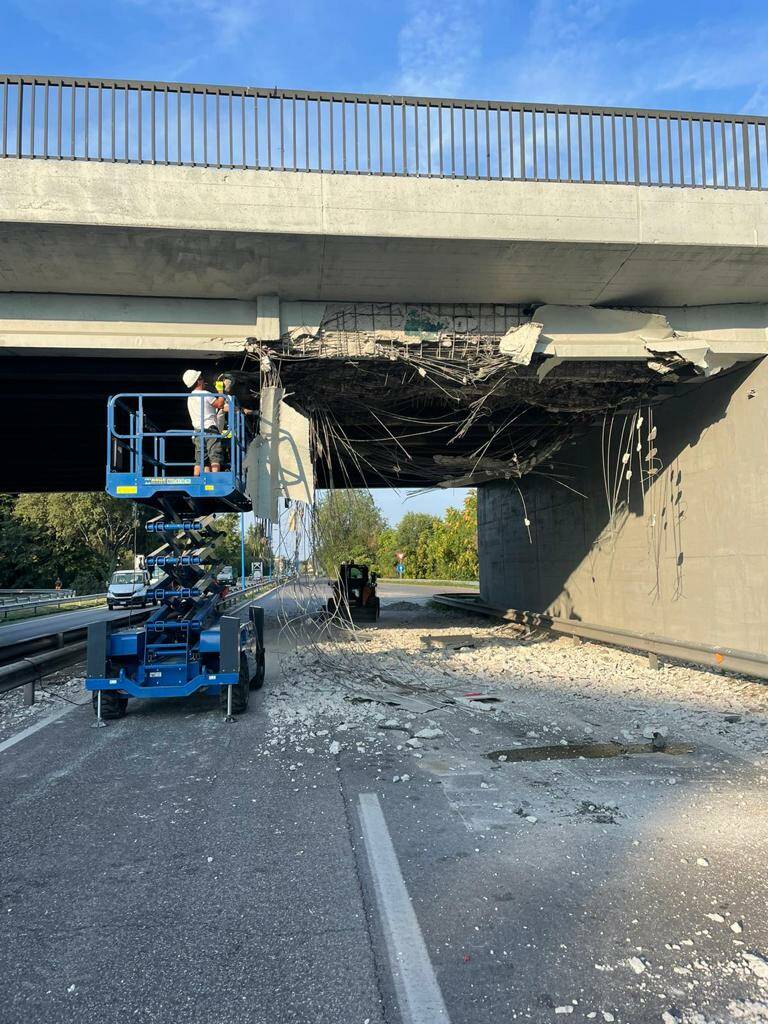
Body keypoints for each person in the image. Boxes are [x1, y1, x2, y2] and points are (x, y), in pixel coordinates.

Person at [182, 369, 226, 475]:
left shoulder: (190, 398)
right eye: (201, 378)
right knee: (215, 457)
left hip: (198, 432)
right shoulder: (205, 394)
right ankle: (215, 481)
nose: (204, 380)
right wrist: (221, 391)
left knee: (200, 459)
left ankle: (198, 481)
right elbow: (219, 404)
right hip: (210, 430)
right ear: (198, 381)